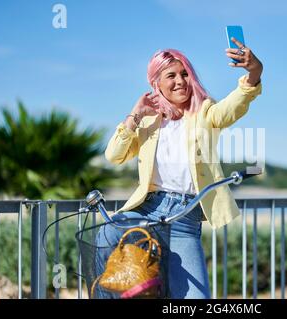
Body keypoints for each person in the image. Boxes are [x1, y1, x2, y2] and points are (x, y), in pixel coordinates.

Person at [94, 37, 263, 299]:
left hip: (185, 216)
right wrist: (135, 114)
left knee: (197, 299)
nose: (180, 81)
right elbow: (114, 155)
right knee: (106, 233)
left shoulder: (205, 112)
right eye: (170, 76)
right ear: (156, 84)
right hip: (147, 209)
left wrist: (254, 72)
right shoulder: (149, 120)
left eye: (185, 74)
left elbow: (233, 108)